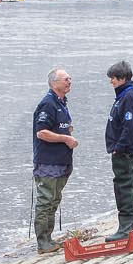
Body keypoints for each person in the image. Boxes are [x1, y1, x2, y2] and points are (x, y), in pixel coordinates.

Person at [31, 68, 76, 253]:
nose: (69, 81)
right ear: (54, 83)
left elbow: (57, 127)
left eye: (70, 79)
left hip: (61, 161)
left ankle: (48, 238)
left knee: (54, 199)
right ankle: (43, 242)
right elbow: (41, 132)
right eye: (66, 79)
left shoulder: (61, 102)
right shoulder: (48, 103)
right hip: (47, 162)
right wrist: (65, 139)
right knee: (46, 200)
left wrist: (67, 131)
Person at [102, 61, 133, 239]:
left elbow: (129, 125)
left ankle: (126, 227)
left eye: (114, 78)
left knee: (123, 186)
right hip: (120, 149)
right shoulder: (123, 95)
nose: (111, 81)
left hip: (124, 151)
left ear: (123, 78)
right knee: (124, 184)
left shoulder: (129, 96)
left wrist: (119, 147)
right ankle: (128, 225)